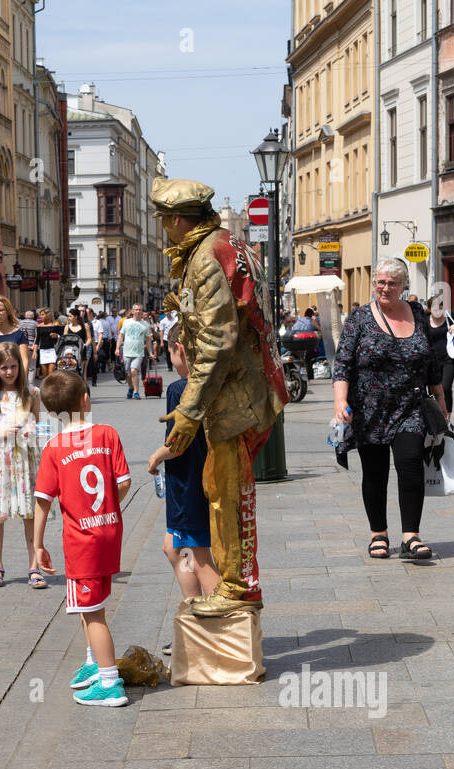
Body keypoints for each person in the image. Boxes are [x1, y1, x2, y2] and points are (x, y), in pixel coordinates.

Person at [154, 177, 286, 616]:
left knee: (225, 490)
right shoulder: (225, 242)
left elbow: (217, 339)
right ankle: (238, 583)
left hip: (233, 397)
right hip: (243, 389)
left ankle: (236, 586)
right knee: (225, 485)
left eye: (162, 220)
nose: (162, 228)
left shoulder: (205, 257)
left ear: (175, 220)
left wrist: (187, 411)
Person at [332, 258, 446, 561]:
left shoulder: (417, 315)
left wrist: (441, 401)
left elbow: (430, 361)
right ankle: (378, 534)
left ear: (402, 286)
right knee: (375, 472)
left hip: (409, 405)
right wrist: (340, 401)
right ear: (374, 285)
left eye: (392, 283)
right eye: (380, 282)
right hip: (369, 408)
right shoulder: (359, 319)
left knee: (410, 464)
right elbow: (343, 363)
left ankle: (411, 536)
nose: (385, 287)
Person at [33, 370, 132, 707]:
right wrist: (106, 508)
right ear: (86, 400)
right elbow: (123, 482)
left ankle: (109, 681)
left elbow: (43, 500)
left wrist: (37, 544)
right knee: (90, 603)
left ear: (49, 414)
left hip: (81, 539)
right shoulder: (107, 433)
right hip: (109, 531)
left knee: (93, 614)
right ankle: (93, 662)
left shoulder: (54, 447)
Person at [148, 325, 219, 630]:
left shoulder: (181, 389)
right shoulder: (213, 384)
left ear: (179, 348)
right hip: (205, 479)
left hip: (188, 483)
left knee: (198, 556)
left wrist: (155, 457)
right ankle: (197, 621)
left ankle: (224, 625)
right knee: (173, 548)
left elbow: (176, 444)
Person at [0, 342, 44, 589]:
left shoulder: (32, 393)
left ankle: (34, 567)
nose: (9, 372)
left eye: (13, 366)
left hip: (26, 459)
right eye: (3, 367)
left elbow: (40, 424)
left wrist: (33, 432)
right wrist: (1, 432)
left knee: (30, 514)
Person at [117, 303, 150, 399]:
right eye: (136, 310)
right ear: (132, 311)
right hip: (127, 351)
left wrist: (150, 352)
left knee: (134, 370)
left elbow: (148, 339)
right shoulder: (126, 322)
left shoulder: (145, 324)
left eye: (140, 310)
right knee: (128, 373)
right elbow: (121, 335)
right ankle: (130, 388)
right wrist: (117, 348)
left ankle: (136, 392)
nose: (138, 311)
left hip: (139, 352)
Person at [62, 307, 92, 380]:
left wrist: (85, 345)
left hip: (80, 350)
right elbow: (64, 339)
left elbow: (89, 338)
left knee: (81, 372)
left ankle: (83, 389)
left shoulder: (85, 326)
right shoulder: (67, 327)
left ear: (76, 317)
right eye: (68, 316)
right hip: (69, 352)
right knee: (69, 372)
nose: (69, 318)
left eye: (70, 316)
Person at [34, 308, 63, 378]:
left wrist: (56, 335)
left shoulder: (55, 324)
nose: (40, 316)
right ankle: (45, 389)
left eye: (42, 315)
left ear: (48, 315)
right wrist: (34, 351)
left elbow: (62, 337)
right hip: (43, 351)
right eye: (40, 315)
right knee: (44, 375)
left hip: (53, 350)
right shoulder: (39, 326)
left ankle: (52, 388)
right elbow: (37, 340)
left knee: (51, 374)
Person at [17, 309, 39, 381]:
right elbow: (36, 336)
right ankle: (30, 383)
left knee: (22, 365)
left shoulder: (19, 323)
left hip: (20, 347)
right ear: (33, 316)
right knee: (31, 367)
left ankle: (23, 381)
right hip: (31, 347)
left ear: (25, 316)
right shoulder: (36, 324)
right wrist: (34, 346)